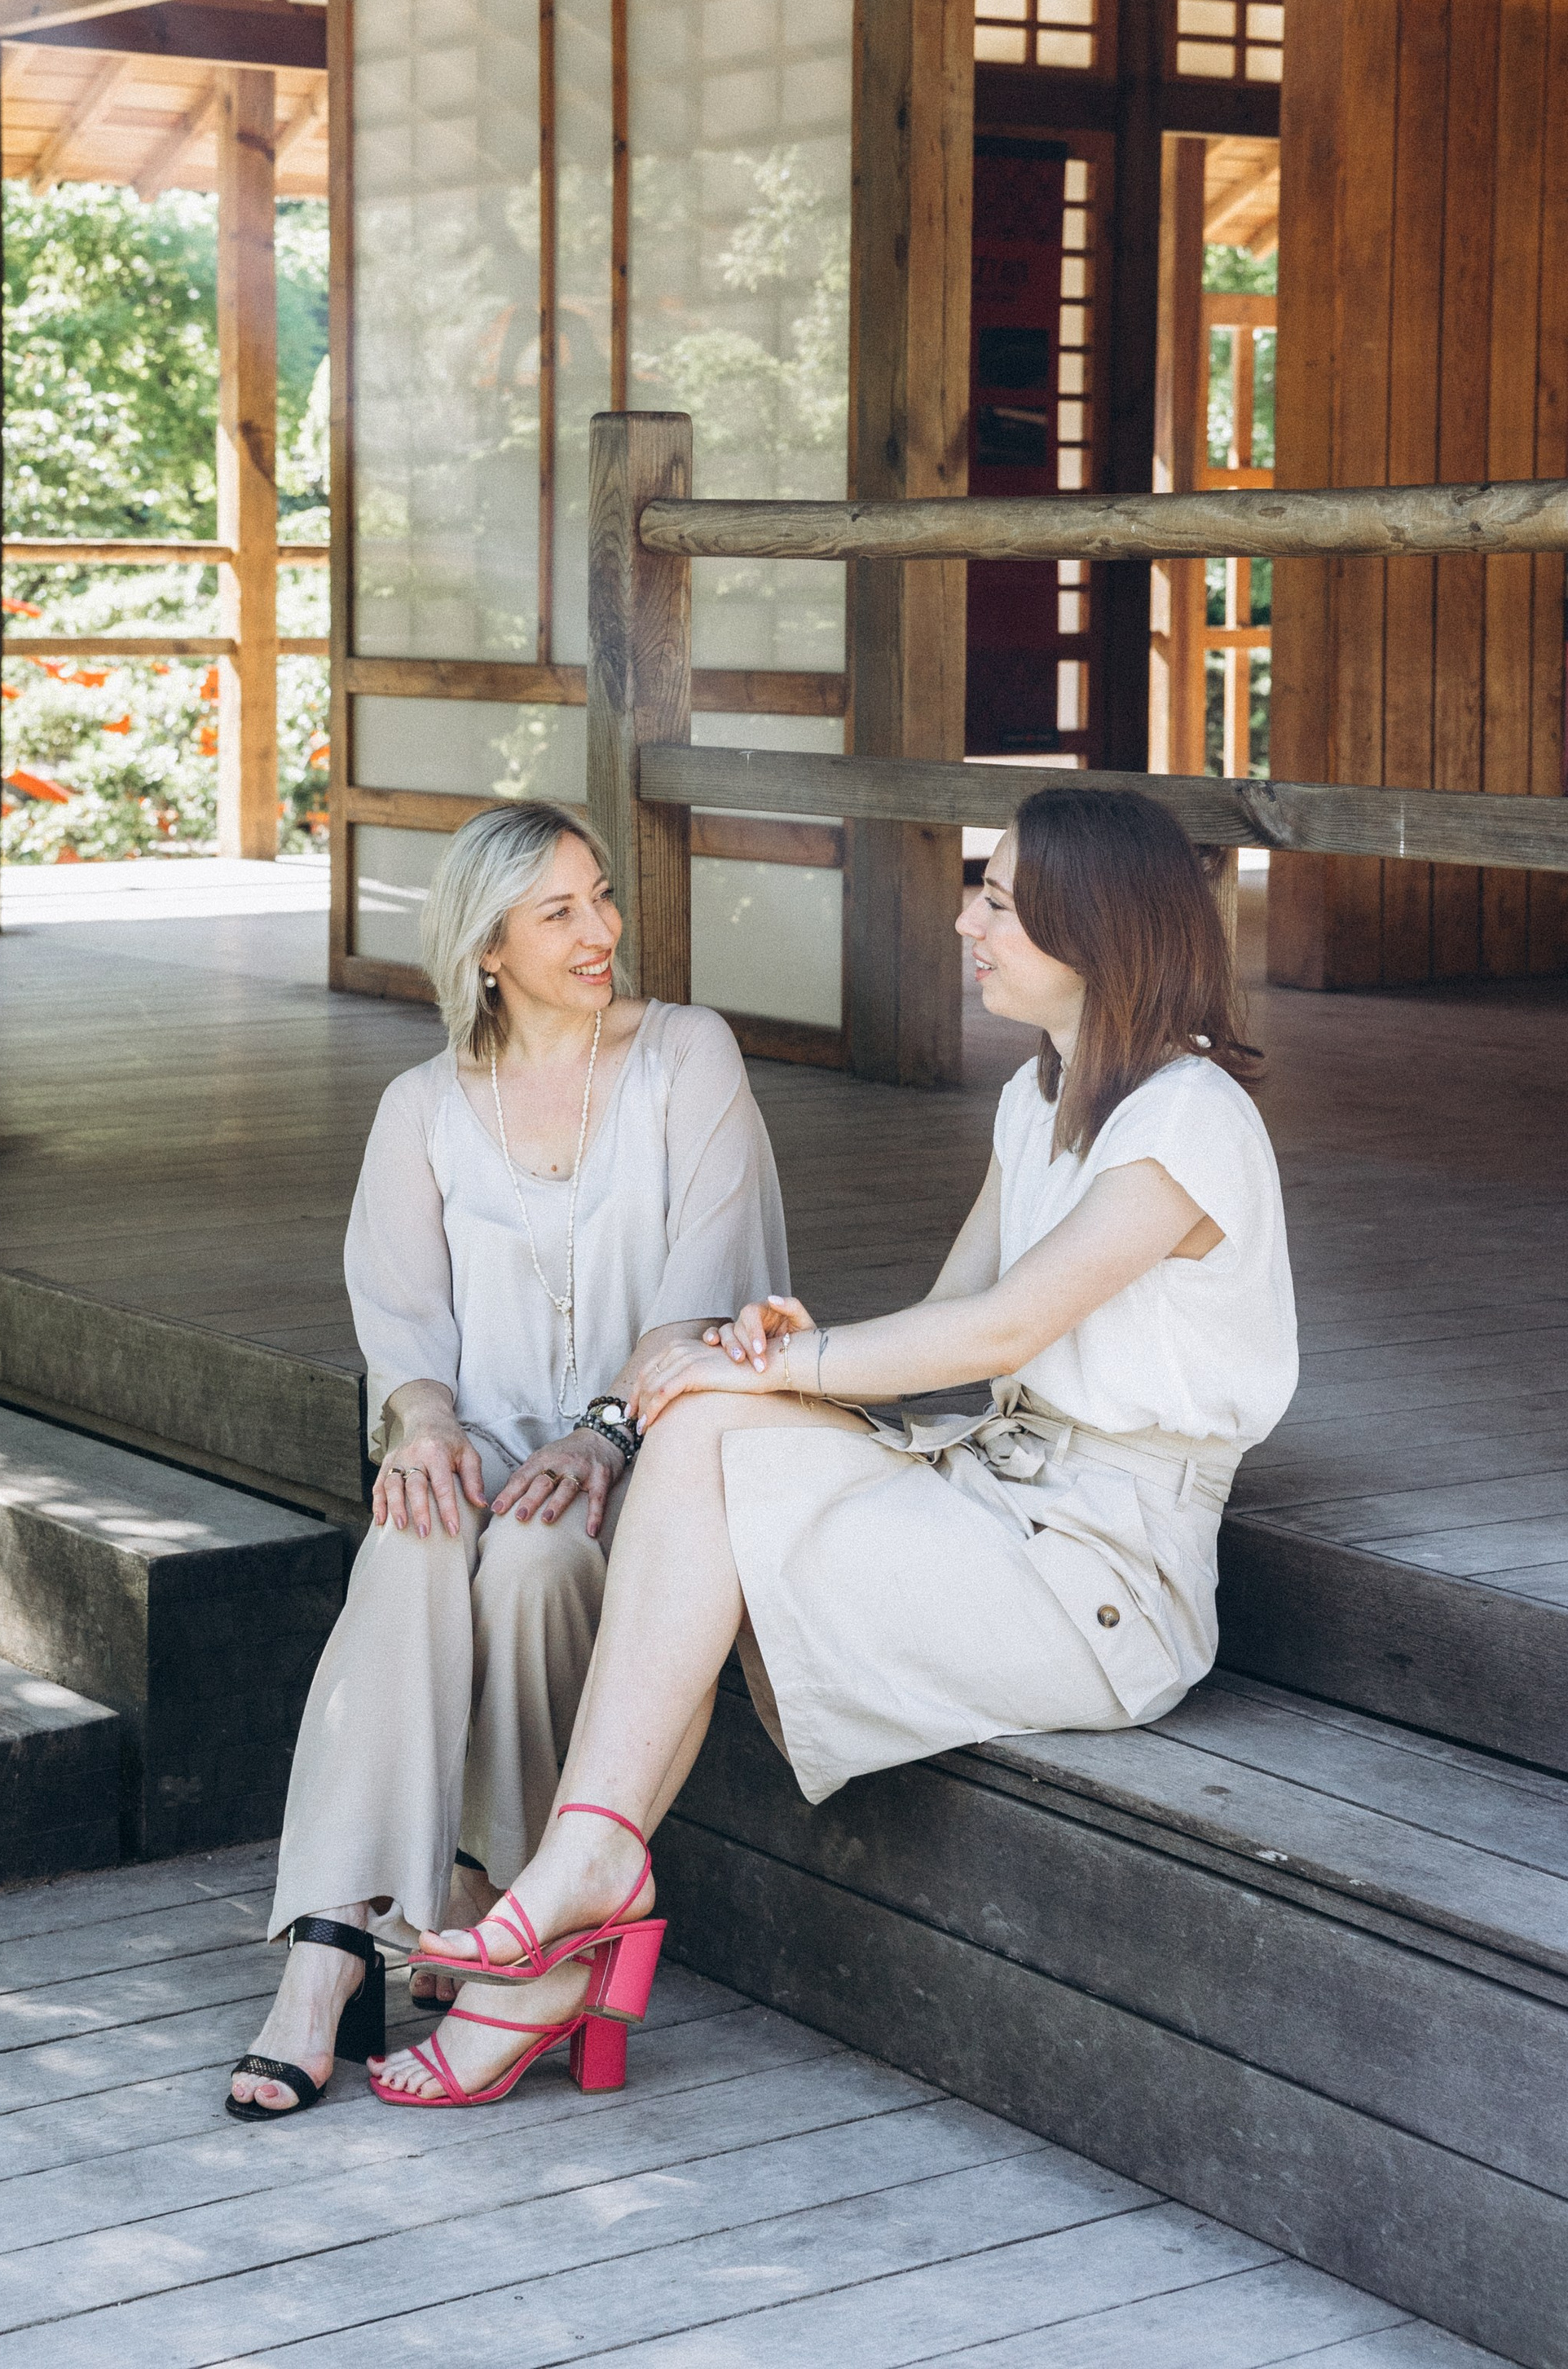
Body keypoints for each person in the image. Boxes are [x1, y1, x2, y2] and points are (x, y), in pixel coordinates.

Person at [381, 783, 1297, 2103]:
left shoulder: (1188, 1117)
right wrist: (771, 1358)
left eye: (998, 900)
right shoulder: (1040, 1099)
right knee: (700, 1423)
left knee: (705, 1425)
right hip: (996, 1498)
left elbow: (1002, 1329)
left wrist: (768, 1363)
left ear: (1094, 931)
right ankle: (589, 1859)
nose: (967, 922)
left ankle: (567, 1909)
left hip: (1105, 1576)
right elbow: (944, 1318)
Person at [227, 797, 788, 2118]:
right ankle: (330, 1948)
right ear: (486, 949)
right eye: (561, 912)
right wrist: (421, 1421)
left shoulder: (686, 1054)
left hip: (660, 1441)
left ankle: (522, 1912)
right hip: (487, 1442)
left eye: (601, 897)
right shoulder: (422, 1106)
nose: (602, 931)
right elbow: (401, 1313)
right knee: (419, 1531)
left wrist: (605, 1434)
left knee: (539, 1556)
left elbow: (711, 1278)